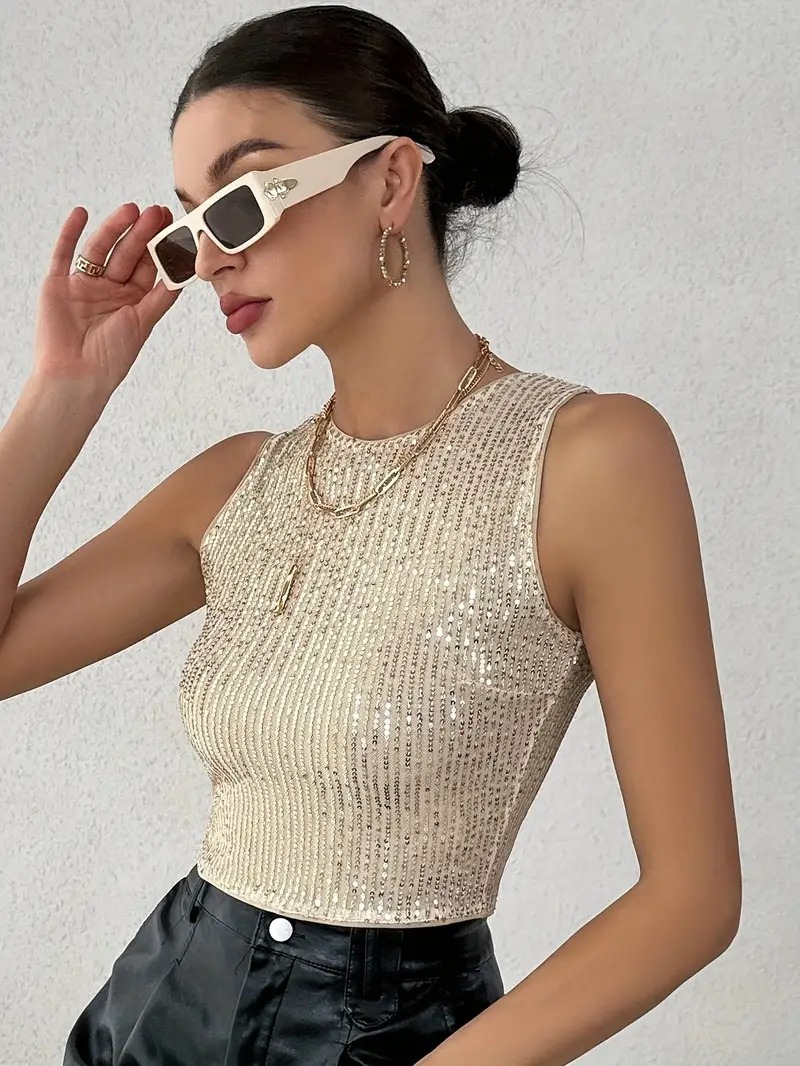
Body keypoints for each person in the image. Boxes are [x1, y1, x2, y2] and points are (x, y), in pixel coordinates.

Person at [0, 5, 741, 1065]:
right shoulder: (235, 484)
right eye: (191, 226)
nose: (208, 260)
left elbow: (692, 899)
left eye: (241, 203)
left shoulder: (588, 458)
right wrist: (62, 392)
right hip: (153, 1018)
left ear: (391, 180)